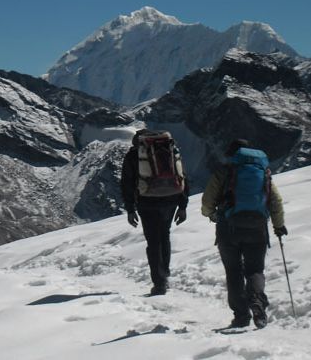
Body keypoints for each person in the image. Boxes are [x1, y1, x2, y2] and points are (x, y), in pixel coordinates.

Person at [201, 139, 287, 329]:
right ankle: (257, 303)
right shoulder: (263, 173)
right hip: (257, 228)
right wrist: (278, 226)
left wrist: (212, 214)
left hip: (228, 228)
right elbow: (276, 201)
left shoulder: (224, 172)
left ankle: (241, 316)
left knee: (233, 272)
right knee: (255, 270)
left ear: (232, 154)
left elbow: (207, 202)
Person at [121, 129, 189, 296]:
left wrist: (130, 209)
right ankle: (164, 274)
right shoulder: (170, 151)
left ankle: (159, 283)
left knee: (153, 242)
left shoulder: (133, 156)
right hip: (171, 200)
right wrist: (182, 206)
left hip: (147, 203)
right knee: (164, 236)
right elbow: (182, 177)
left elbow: (127, 184)